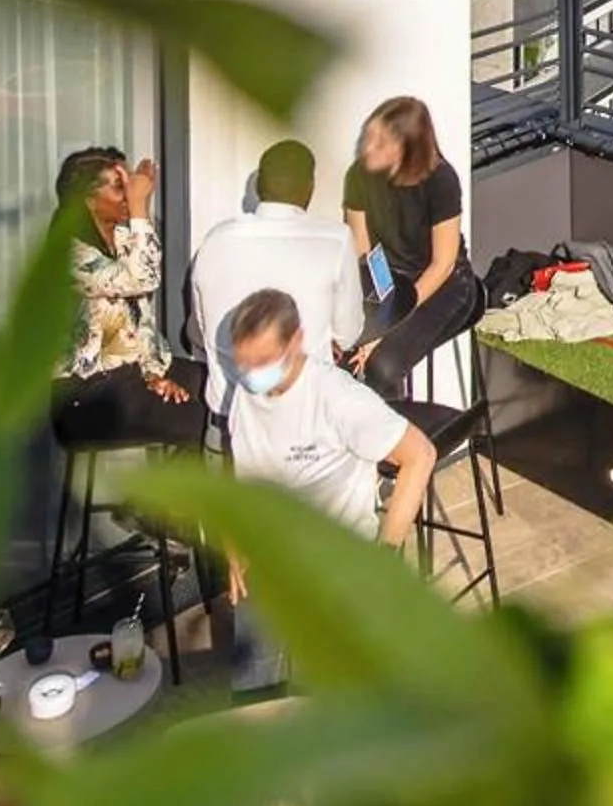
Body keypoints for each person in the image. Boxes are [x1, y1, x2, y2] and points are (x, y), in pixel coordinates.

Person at [208, 287, 438, 692]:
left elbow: (420, 455)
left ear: (295, 341)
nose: (250, 374)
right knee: (254, 692)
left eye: (262, 362)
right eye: (243, 363)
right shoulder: (247, 393)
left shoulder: (337, 399)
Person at [47, 145, 205, 451]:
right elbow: (143, 278)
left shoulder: (121, 238)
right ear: (88, 199)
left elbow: (139, 325)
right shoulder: (68, 254)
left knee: (223, 393)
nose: (130, 192)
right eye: (119, 187)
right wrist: (138, 206)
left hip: (131, 374)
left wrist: (154, 374)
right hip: (88, 396)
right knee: (199, 420)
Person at [340, 95, 478, 399]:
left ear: (406, 147)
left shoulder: (441, 180)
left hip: (444, 283)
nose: (367, 146)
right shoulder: (359, 175)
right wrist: (372, 317)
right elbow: (363, 250)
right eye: (368, 136)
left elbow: (443, 264)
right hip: (388, 280)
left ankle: (400, 442)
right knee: (342, 356)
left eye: (379, 141)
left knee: (382, 365)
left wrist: (385, 328)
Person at [191, 140, 364, 365]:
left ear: (257, 187)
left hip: (228, 397)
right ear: (310, 187)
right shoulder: (336, 240)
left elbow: (198, 332)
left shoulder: (215, 240)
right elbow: (348, 335)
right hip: (305, 397)